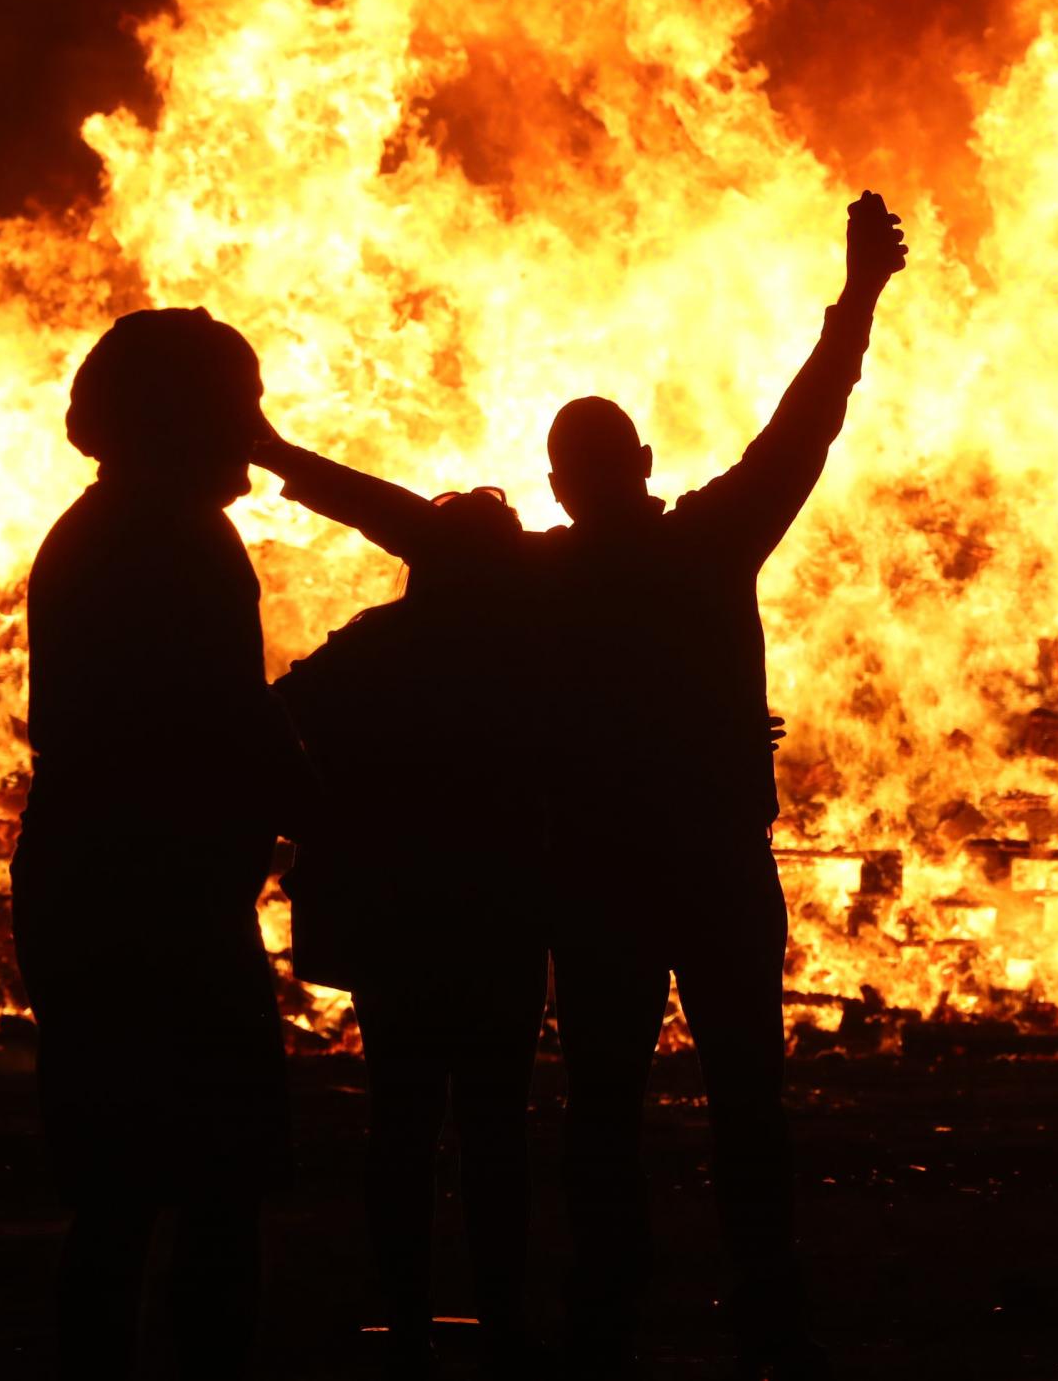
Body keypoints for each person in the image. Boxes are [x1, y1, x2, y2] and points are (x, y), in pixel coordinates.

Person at [255, 191, 907, 1377]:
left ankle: (607, 1309)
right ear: (641, 467)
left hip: (598, 876)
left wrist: (273, 450)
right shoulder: (711, 542)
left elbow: (407, 523)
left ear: (556, 484)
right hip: (713, 863)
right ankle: (766, 1308)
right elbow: (805, 425)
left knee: (603, 1107)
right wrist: (857, 299)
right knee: (746, 1098)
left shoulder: (534, 579)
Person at [12, 308, 320, 1381]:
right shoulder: (170, 539)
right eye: (238, 407)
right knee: (210, 1187)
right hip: (156, 904)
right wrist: (332, 801)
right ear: (184, 418)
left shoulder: (114, 526)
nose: (254, 429)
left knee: (123, 1195)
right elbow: (218, 719)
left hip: (101, 888)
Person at [277, 485, 549, 1380]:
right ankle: (506, 1323)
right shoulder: (524, 658)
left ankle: (407, 1322)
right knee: (495, 1127)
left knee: (400, 1123)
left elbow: (274, 719)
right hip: (498, 920)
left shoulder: (372, 648)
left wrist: (322, 819)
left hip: (395, 923)